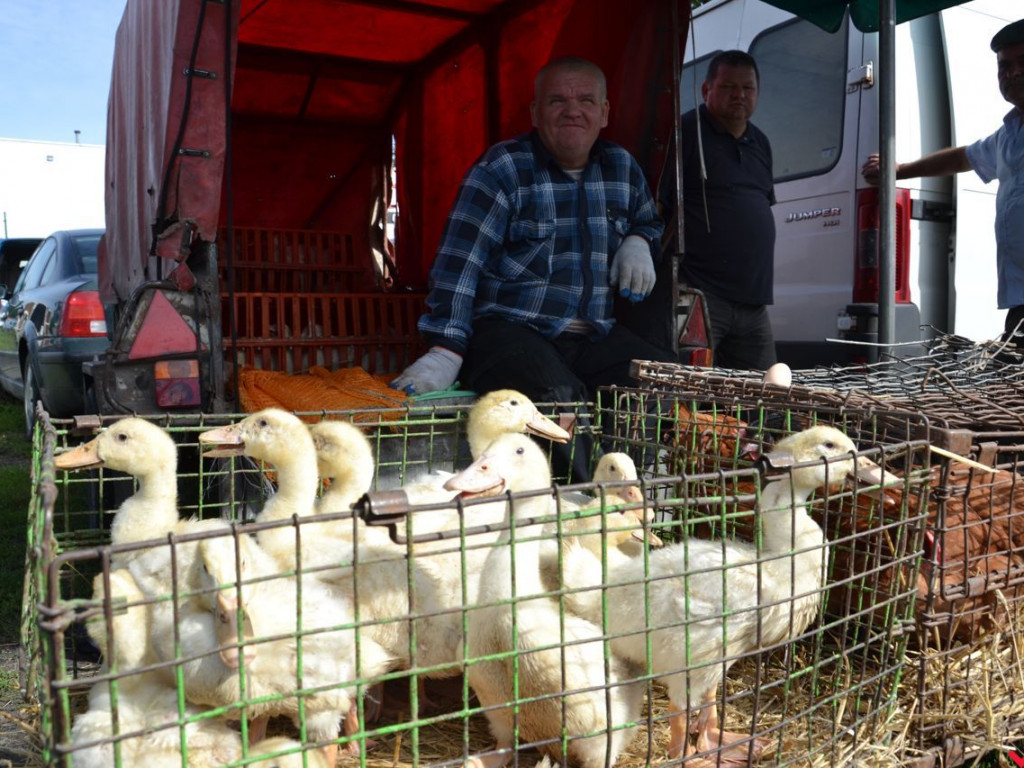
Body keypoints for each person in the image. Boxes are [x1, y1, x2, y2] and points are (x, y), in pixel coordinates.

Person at [389, 56, 674, 481]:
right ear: (536, 113)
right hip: (509, 329)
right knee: (558, 398)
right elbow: (460, 262)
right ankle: (587, 503)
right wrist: (446, 348)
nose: (572, 110)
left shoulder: (622, 168)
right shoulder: (503, 168)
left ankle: (629, 485)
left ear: (604, 112)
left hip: (591, 333)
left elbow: (648, 220)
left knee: (659, 378)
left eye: (586, 100)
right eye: (557, 100)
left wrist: (639, 241)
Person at [862, 18, 1024, 345]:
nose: (1013, 73)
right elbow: (962, 158)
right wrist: (899, 171)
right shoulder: (1009, 135)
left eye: (1023, 63)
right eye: (1004, 66)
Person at [657, 49, 778, 371]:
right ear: (706, 89)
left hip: (753, 301)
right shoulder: (683, 134)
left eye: (747, 88)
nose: (739, 95)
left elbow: (760, 205)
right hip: (698, 293)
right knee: (687, 386)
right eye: (728, 87)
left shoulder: (761, 142)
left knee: (763, 393)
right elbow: (658, 207)